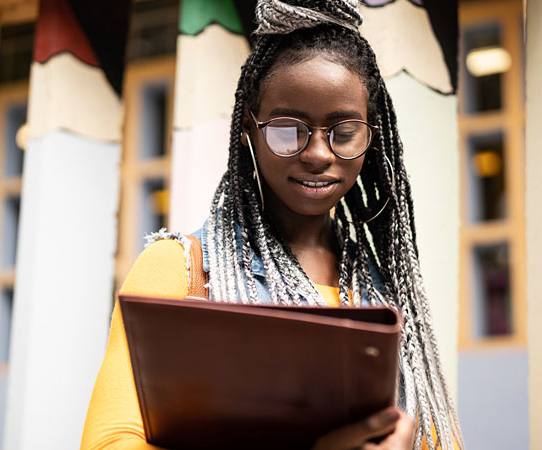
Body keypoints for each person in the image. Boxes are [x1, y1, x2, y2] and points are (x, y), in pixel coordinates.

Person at [81, 0, 464, 449]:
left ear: (371, 138)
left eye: (343, 133)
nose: (318, 154)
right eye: (287, 129)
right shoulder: (182, 270)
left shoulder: (386, 295)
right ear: (249, 130)